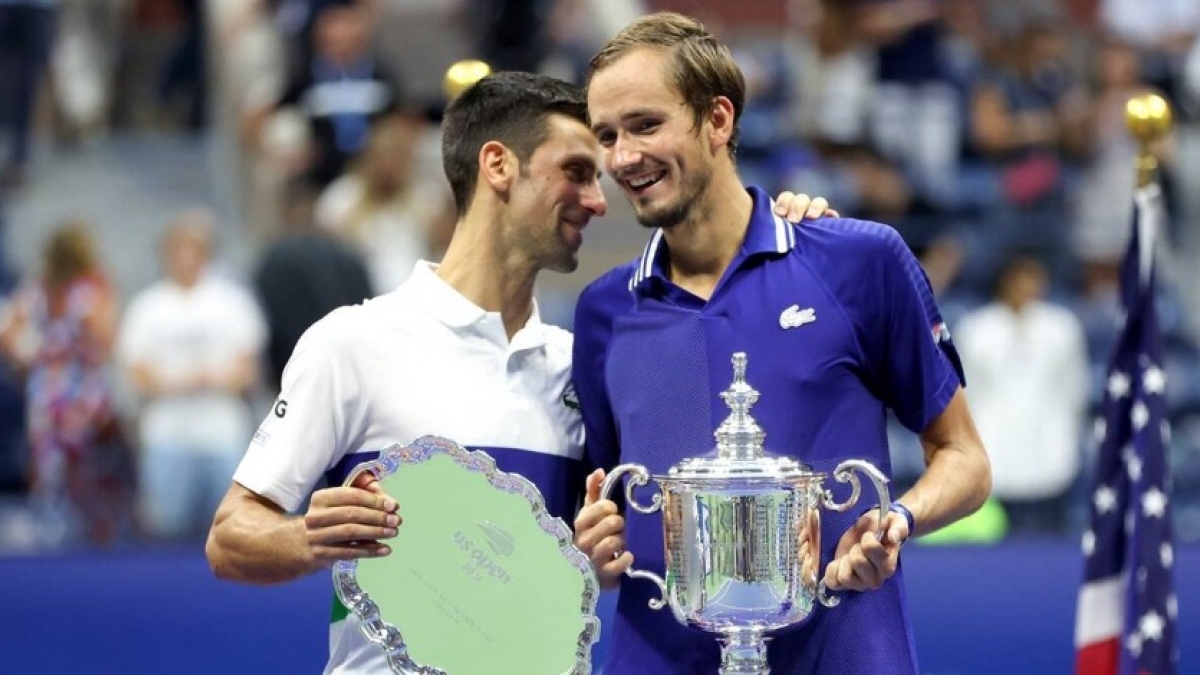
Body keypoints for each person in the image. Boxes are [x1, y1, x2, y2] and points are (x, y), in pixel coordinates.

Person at [205, 69, 831, 674]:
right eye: (577, 173)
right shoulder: (352, 342)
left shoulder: (580, 362)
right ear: (499, 165)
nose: (596, 200)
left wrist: (790, 248)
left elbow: (602, 555)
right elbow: (231, 537)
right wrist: (311, 538)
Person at [571, 12, 992, 674]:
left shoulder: (859, 262)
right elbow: (601, 510)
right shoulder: (602, 310)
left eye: (646, 125)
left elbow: (965, 458)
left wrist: (896, 521)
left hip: (847, 654)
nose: (623, 157)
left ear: (718, 120)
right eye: (607, 135)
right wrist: (591, 545)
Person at [117, 211, 267, 542]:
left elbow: (248, 369)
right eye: (178, 250)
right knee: (166, 527)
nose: (186, 259)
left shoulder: (232, 302)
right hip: (167, 433)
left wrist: (212, 379)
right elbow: (138, 374)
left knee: (230, 528)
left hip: (220, 431)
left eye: (193, 250)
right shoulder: (148, 307)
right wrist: (184, 381)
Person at [0, 219, 130, 546]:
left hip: (72, 391)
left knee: (81, 464)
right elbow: (108, 339)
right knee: (51, 465)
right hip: (61, 390)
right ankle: (60, 532)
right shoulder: (51, 287)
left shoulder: (66, 287)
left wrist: (35, 358)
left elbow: (106, 339)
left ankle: (88, 530)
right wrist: (36, 359)